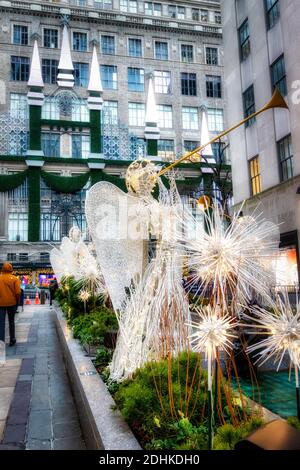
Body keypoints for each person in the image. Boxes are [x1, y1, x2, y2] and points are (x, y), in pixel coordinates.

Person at [0, 263, 21, 347]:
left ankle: (1, 341)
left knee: (1, 323)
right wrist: (17, 301)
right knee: (11, 321)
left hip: (0, 304)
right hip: (12, 303)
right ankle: (12, 339)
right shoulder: (15, 279)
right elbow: (18, 292)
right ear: (11, 269)